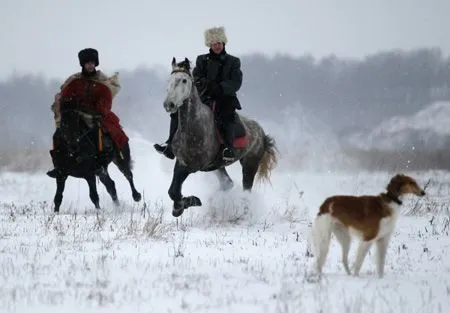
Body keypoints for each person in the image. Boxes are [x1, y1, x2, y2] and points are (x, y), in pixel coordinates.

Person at [154, 26, 243, 161]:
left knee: (226, 115)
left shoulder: (233, 61)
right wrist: (204, 83)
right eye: (213, 44)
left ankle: (228, 148)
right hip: (205, 96)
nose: (216, 46)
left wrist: (220, 87)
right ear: (209, 45)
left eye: (219, 43)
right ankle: (170, 145)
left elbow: (236, 82)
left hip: (225, 98)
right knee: (177, 112)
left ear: (223, 43)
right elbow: (196, 76)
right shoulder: (201, 59)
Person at [46, 48, 129, 178]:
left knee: (98, 132)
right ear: (83, 64)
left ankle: (101, 164)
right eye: (87, 63)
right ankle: (59, 165)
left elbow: (106, 99)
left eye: (92, 63)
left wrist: (98, 111)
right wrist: (67, 107)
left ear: (95, 64)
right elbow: (65, 96)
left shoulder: (102, 80)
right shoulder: (74, 80)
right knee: (58, 135)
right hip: (75, 116)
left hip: (94, 116)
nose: (90, 65)